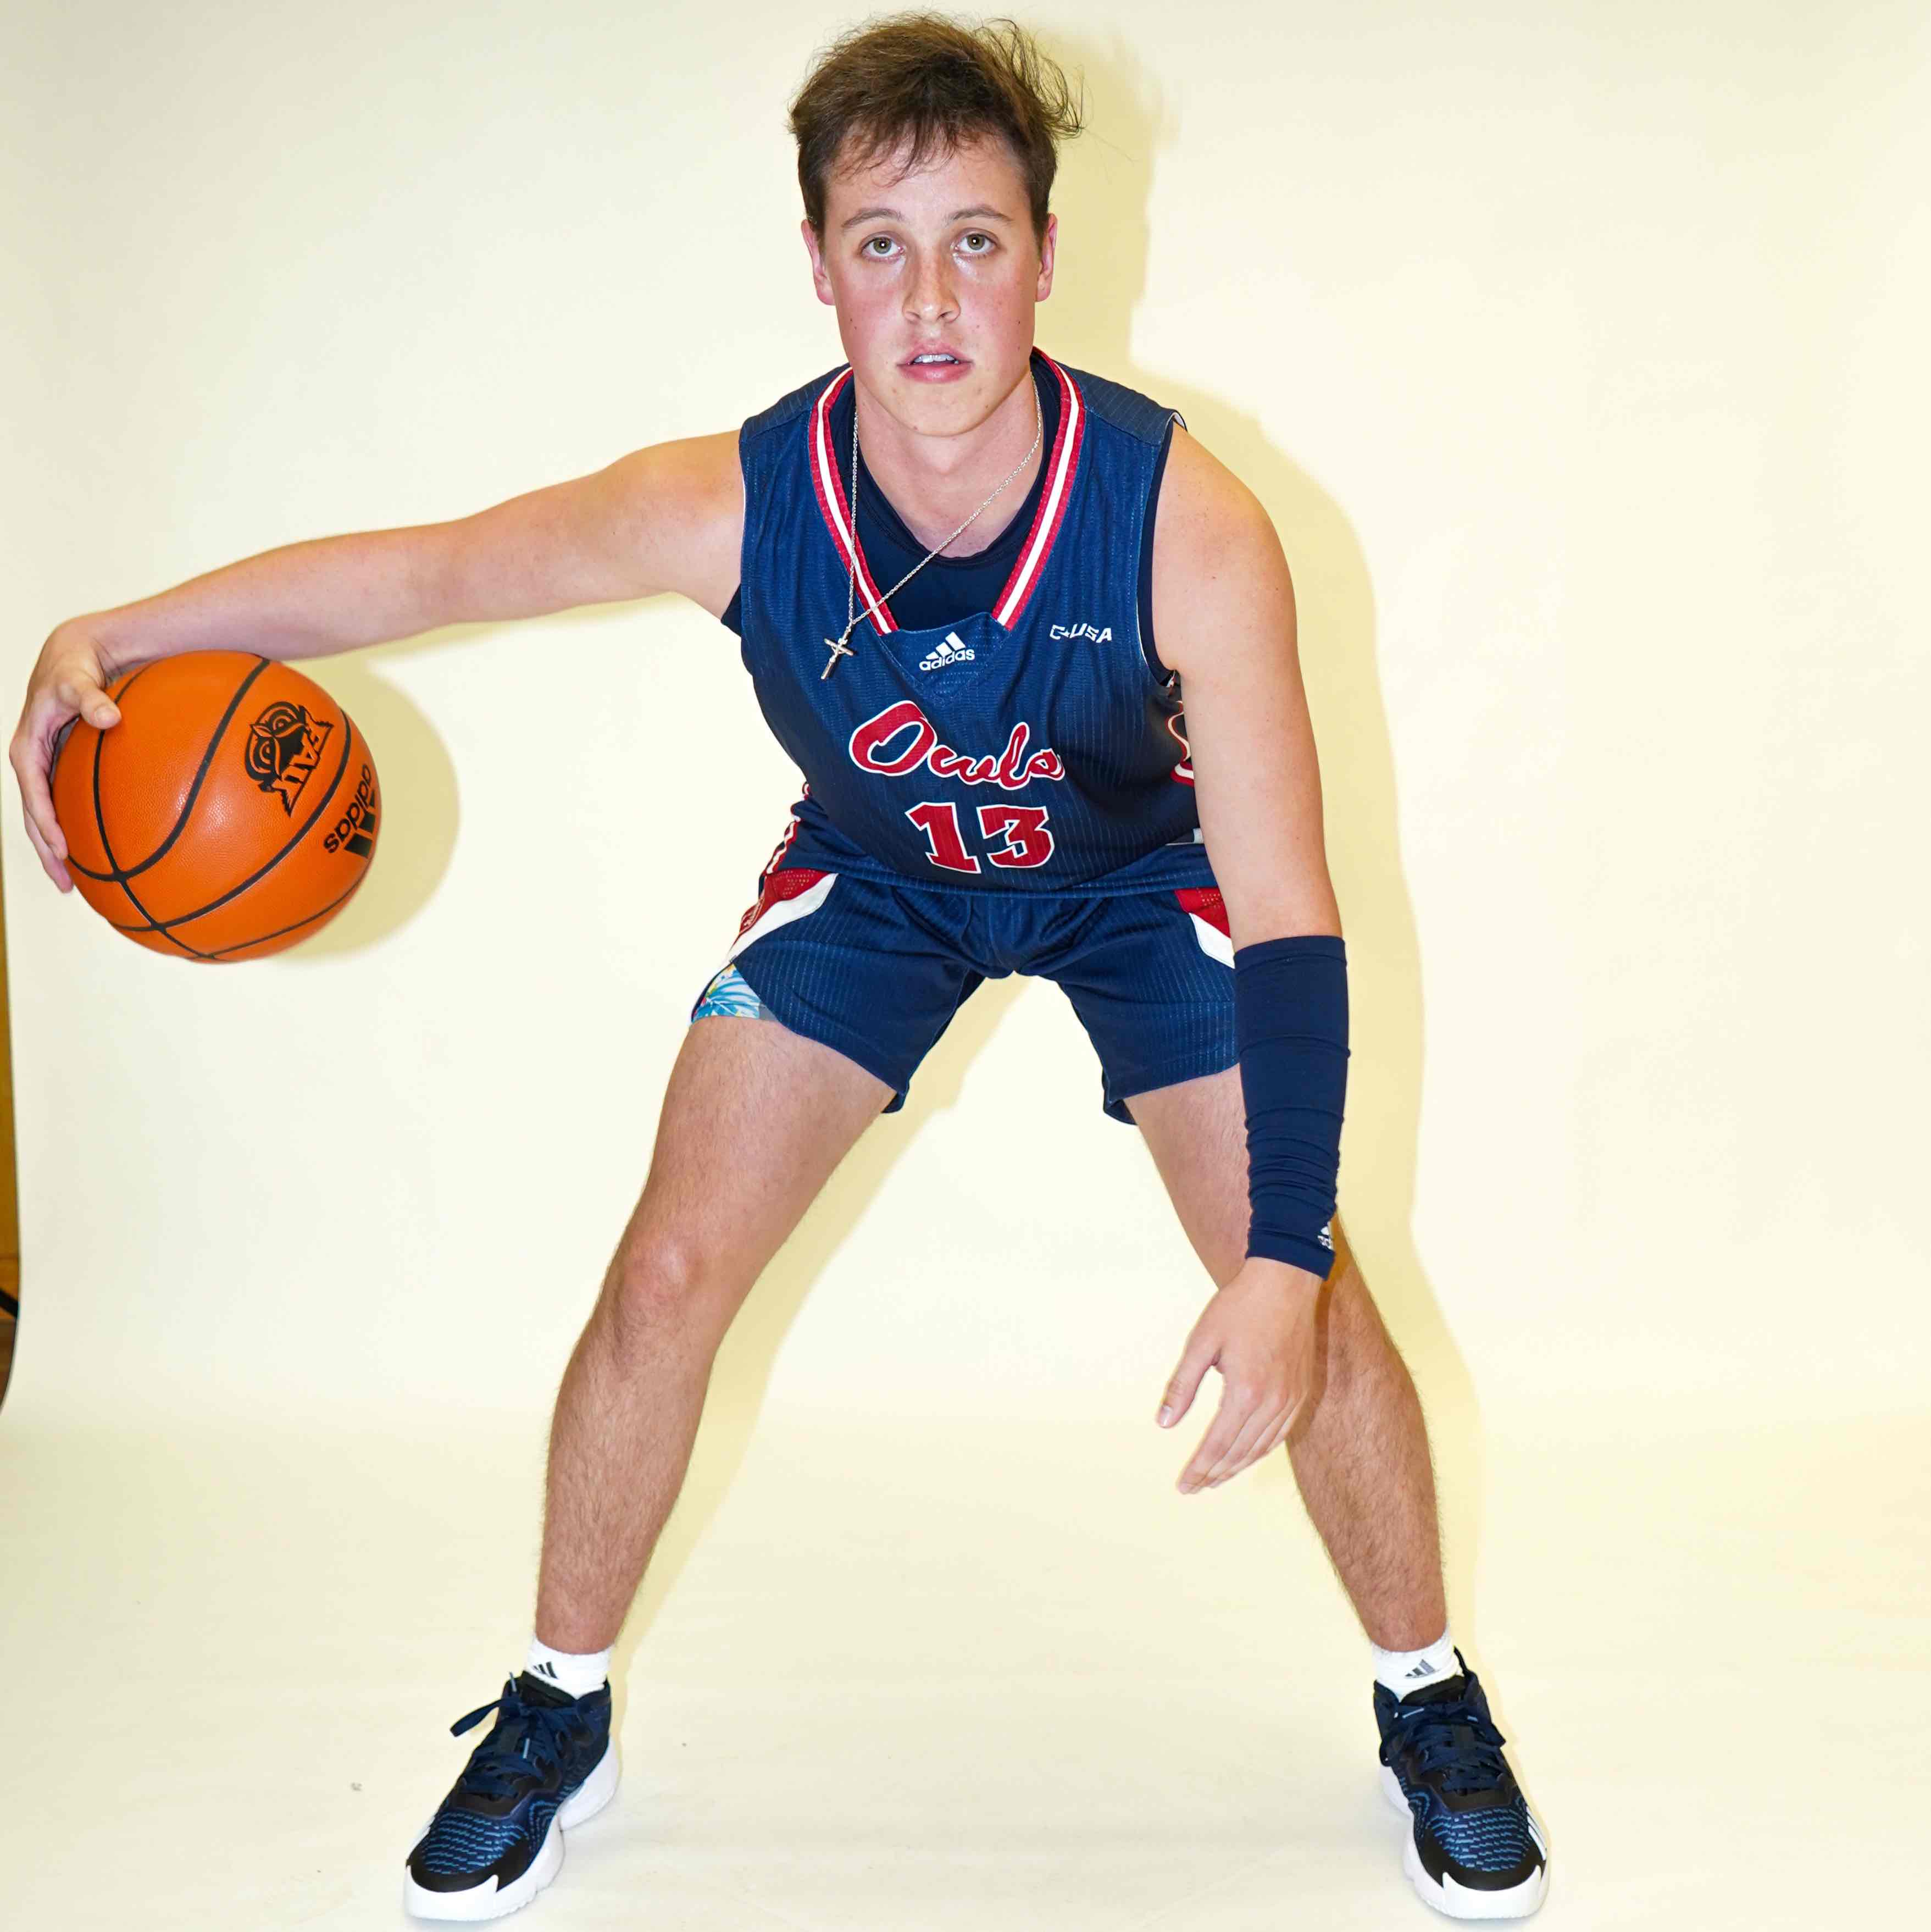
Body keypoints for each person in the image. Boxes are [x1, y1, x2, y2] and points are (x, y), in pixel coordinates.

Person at [9, 14, 1547, 1922]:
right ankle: (558, 1702)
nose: (931, 298)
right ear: (818, 263)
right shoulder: (736, 499)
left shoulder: (1187, 523)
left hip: (1138, 884)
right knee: (666, 1269)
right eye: (881, 243)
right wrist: (118, 629)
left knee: (1308, 1280)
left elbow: (1291, 911)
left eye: (975, 239)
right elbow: (429, 571)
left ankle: (1427, 1691)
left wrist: (1284, 1259)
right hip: (881, 877)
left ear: (1046, 258)